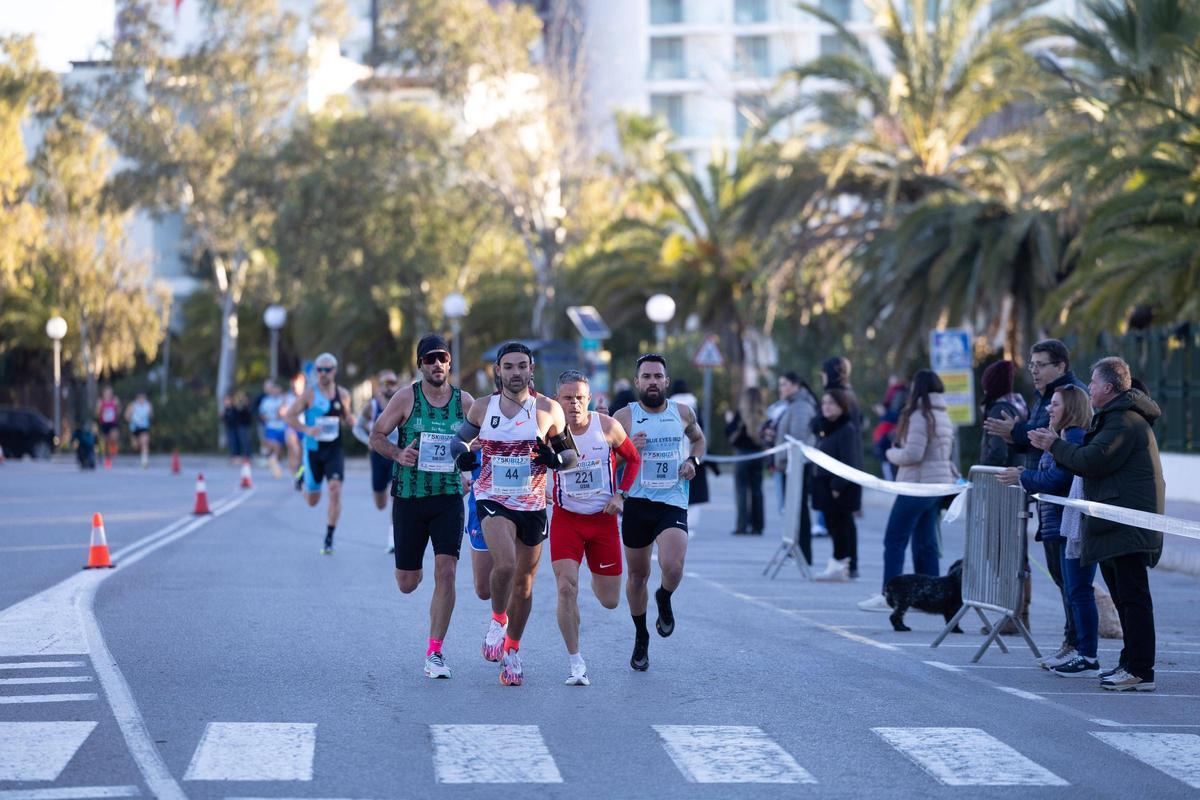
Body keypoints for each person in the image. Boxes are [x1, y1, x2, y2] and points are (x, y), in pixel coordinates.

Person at [1030, 357, 1164, 692]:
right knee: (1123, 598)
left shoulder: (1123, 422)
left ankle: (1140, 669)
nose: (1088, 389)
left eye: (1092, 383)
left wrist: (1054, 445)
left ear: (1108, 386)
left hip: (1126, 524)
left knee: (1133, 598)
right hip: (1113, 523)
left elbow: (1090, 461)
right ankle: (1129, 661)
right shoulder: (1112, 419)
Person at [450, 341, 575, 686]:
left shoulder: (548, 410)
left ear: (531, 370)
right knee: (504, 564)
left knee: (524, 584)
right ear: (498, 371)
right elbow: (458, 442)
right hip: (492, 498)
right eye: (509, 366)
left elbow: (570, 458)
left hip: (531, 505)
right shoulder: (482, 407)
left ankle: (513, 651)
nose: (516, 372)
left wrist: (553, 459)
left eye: (522, 366)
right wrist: (462, 456)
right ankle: (497, 620)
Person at [370, 335, 475, 679]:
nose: (436, 364)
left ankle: (435, 652)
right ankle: (411, 573)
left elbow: (484, 444)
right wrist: (398, 454)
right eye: (429, 359)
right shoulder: (406, 398)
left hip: (447, 498)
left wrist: (469, 473)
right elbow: (376, 435)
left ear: (449, 363)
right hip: (410, 499)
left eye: (441, 358)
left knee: (446, 571)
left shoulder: (466, 402)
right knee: (408, 582)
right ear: (420, 365)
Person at [983, 340, 1086, 632]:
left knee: (1071, 581)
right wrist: (1015, 436)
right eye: (1032, 364)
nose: (1034, 371)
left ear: (1061, 366)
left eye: (1041, 365)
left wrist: (1015, 432)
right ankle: (1072, 640)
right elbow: (1040, 440)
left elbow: (1053, 443)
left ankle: (1078, 645)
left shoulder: (1068, 395)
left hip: (1060, 498)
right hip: (1043, 494)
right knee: (1060, 576)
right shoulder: (1044, 396)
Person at [612, 354, 707, 672]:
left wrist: (693, 462)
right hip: (637, 504)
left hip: (672, 501)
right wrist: (628, 452)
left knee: (673, 566)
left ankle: (664, 597)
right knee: (637, 576)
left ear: (666, 381)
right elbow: (608, 461)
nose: (652, 381)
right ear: (637, 382)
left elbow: (699, 441)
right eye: (646, 376)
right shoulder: (624, 417)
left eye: (658, 376)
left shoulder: (682, 413)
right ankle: (641, 636)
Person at [550, 370, 641, 685]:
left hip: (602, 521)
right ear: (557, 399)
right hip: (567, 519)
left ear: (589, 399)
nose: (573, 404)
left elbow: (634, 459)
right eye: (567, 398)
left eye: (579, 398)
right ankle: (576, 663)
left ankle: (588, 578)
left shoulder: (608, 427)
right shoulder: (549, 431)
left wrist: (621, 494)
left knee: (610, 600)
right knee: (565, 587)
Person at [998, 384, 1088, 667]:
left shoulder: (1072, 436)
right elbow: (1050, 473)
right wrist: (1028, 473)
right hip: (1055, 522)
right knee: (1068, 587)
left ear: (1071, 409)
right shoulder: (1060, 436)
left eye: (1057, 404)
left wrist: (1023, 477)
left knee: (1075, 590)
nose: (1050, 409)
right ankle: (1072, 645)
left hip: (1066, 522)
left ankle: (1081, 650)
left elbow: (1058, 479)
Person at [859, 370, 958, 612]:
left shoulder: (919, 416)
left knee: (894, 539)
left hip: (917, 485)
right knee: (926, 543)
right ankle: (932, 598)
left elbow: (914, 454)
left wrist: (891, 453)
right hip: (937, 486)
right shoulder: (942, 414)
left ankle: (889, 595)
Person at [285, 353, 355, 554]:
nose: (323, 374)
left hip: (334, 450)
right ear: (316, 372)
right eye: (320, 370)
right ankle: (302, 477)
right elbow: (289, 416)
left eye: (327, 369)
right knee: (312, 501)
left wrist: (351, 420)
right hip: (313, 451)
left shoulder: (343, 394)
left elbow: (346, 416)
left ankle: (329, 537)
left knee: (334, 490)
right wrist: (307, 430)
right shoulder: (309, 394)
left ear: (334, 371)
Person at [811, 388, 862, 581]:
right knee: (834, 526)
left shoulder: (846, 429)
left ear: (842, 406)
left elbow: (848, 460)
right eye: (824, 403)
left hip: (839, 489)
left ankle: (840, 566)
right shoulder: (825, 427)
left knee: (841, 527)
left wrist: (836, 487)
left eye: (831, 403)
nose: (826, 407)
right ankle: (838, 564)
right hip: (825, 485)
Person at [773, 372, 821, 559]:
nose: (781, 388)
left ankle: (803, 552)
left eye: (784, 384)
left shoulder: (801, 406)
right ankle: (797, 550)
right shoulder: (793, 405)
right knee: (795, 510)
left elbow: (798, 440)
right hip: (791, 466)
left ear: (796, 386)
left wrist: (782, 456)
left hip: (797, 467)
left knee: (799, 510)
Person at [355, 369, 402, 548]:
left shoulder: (404, 404)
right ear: (380, 386)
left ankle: (392, 539)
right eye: (385, 383)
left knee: (395, 496)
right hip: (377, 456)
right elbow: (357, 428)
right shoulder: (372, 406)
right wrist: (367, 440)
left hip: (397, 454)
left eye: (392, 382)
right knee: (380, 502)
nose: (389, 387)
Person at [724, 387, 765, 536]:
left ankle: (742, 526)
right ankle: (758, 526)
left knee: (741, 491)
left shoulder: (740, 415)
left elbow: (728, 433)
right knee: (757, 491)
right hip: (758, 456)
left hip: (741, 456)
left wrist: (728, 421)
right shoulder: (763, 415)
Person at [980, 360, 1028, 467]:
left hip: (1001, 479)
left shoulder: (999, 410)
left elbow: (998, 452)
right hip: (1017, 472)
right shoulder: (1019, 406)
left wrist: (984, 471)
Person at [872, 375, 908, 481]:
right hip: (891, 428)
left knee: (885, 449)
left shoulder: (899, 393)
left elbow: (896, 414)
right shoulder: (894, 392)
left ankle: (891, 481)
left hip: (894, 429)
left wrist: (883, 414)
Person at [258, 380, 287, 478]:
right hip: (271, 427)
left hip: (282, 428)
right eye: (273, 389)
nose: (275, 391)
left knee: (279, 450)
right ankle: (275, 465)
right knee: (276, 446)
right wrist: (266, 420)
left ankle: (274, 462)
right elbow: (262, 413)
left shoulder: (283, 400)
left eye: (277, 389)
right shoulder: (266, 401)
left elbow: (284, 413)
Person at [282, 373, 306, 485]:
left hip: (304, 427)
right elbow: (282, 411)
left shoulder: (307, 396)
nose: (296, 387)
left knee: (301, 452)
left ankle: (300, 472)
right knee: (294, 449)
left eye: (299, 385)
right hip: (292, 427)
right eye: (294, 385)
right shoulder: (288, 397)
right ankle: (295, 476)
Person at [124, 391, 153, 469]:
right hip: (135, 428)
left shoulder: (148, 405)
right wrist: (131, 420)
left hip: (144, 428)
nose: (142, 399)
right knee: (136, 446)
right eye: (140, 398)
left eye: (143, 398)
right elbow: (126, 416)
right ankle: (140, 450)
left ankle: (144, 461)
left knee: (145, 441)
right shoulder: (133, 405)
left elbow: (151, 416)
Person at [96, 386, 121, 468]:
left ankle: (114, 449)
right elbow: (97, 414)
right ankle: (107, 459)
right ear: (103, 394)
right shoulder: (100, 402)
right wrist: (100, 409)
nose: (108, 395)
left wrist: (117, 406)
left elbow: (118, 413)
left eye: (110, 393)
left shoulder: (115, 401)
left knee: (114, 437)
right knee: (106, 442)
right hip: (104, 424)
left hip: (113, 423)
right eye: (106, 393)